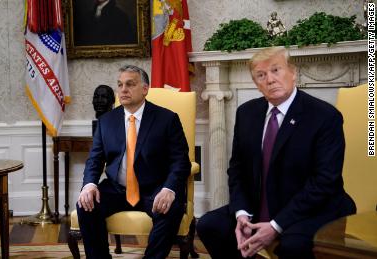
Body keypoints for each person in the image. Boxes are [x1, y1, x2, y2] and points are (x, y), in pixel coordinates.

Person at [196, 47, 356, 259]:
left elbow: (325, 182)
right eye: (261, 75)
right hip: (258, 204)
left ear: (293, 72)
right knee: (210, 225)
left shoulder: (325, 116)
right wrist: (241, 212)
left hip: (313, 208)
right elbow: (237, 170)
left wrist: (276, 225)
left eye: (276, 70)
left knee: (292, 245)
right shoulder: (247, 113)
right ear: (256, 83)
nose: (270, 80)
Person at [77, 65, 191, 259]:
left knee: (171, 208)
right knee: (86, 205)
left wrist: (169, 189)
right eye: (120, 85)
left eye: (130, 84)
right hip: (116, 189)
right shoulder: (106, 121)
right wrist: (89, 185)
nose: (123, 90)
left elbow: (181, 161)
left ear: (145, 89)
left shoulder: (167, 119)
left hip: (155, 188)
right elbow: (95, 159)